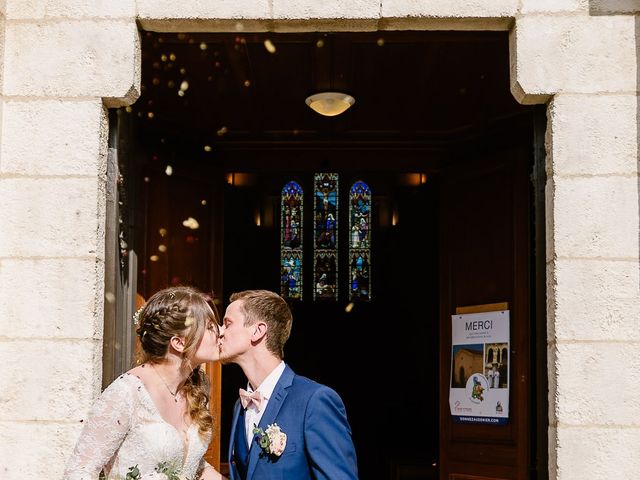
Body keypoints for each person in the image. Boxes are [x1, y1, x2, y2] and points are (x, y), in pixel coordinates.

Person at [63, 286, 226, 480]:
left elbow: (191, 465)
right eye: (209, 327)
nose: (221, 332)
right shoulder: (127, 393)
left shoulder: (193, 391)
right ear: (179, 343)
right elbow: (79, 471)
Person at [219, 289, 358, 480]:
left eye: (227, 324)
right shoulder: (240, 405)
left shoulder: (314, 401)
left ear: (258, 331)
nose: (220, 331)